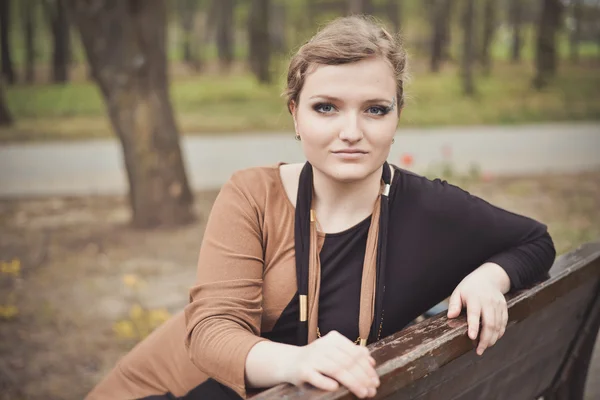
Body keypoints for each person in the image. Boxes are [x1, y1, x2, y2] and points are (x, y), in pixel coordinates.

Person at [86, 16, 556, 400]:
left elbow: (535, 240)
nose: (351, 131)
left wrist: (489, 277)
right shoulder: (251, 195)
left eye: (374, 109)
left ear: (397, 117)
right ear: (294, 114)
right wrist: (296, 361)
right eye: (326, 107)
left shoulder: (432, 207)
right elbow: (211, 332)